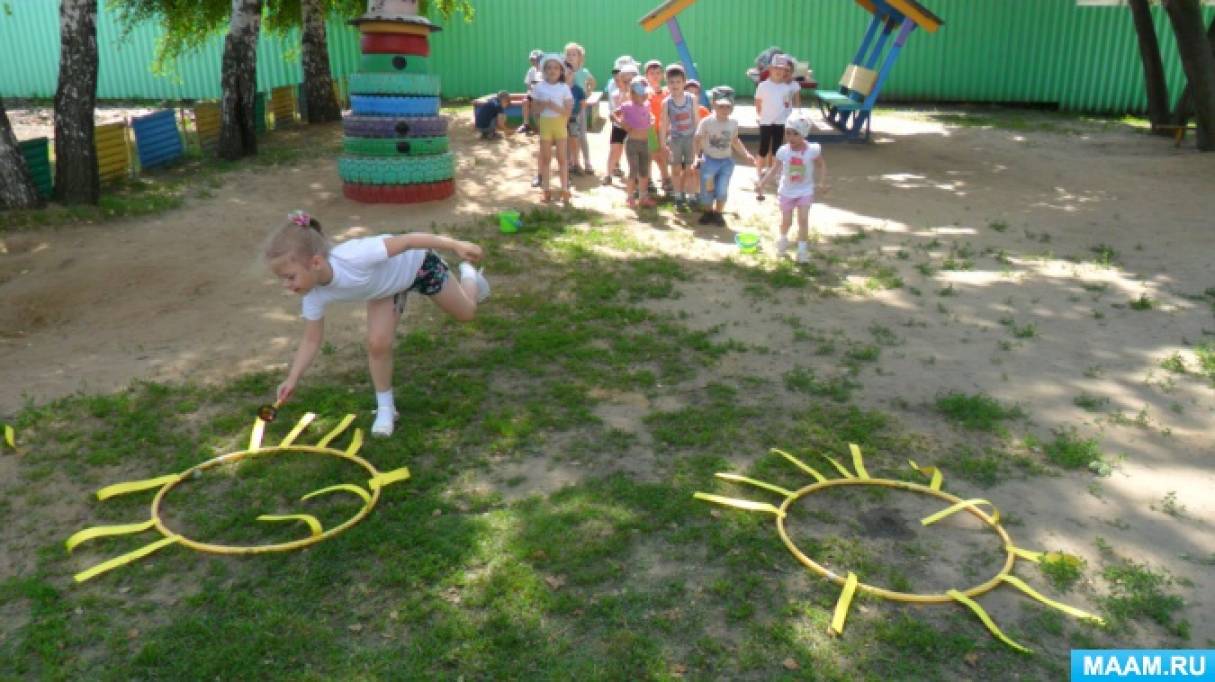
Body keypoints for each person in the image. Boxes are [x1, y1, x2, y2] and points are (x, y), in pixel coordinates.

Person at [265, 211, 490, 438]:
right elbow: (311, 339)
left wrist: (455, 244)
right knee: (377, 343)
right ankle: (385, 409)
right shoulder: (313, 294)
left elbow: (408, 241)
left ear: (315, 262)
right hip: (385, 288)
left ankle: (469, 275)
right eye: (282, 279)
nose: (286, 285)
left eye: (290, 277)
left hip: (419, 266)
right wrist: (292, 378)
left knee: (467, 313)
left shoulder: (356, 255)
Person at [756, 116, 827, 264]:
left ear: (804, 134)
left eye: (795, 133)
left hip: (805, 190)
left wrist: (822, 182)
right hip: (787, 191)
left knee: (803, 219)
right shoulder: (783, 151)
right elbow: (774, 169)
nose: (791, 137)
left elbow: (821, 165)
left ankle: (802, 251)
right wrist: (762, 183)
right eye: (788, 133)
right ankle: (783, 238)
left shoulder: (812, 150)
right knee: (786, 222)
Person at [693, 87, 755, 226]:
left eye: (728, 106)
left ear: (732, 107)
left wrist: (746, 154)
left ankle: (718, 214)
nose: (724, 109)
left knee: (722, 190)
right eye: (721, 106)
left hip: (726, 162)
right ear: (714, 105)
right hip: (709, 161)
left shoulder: (733, 123)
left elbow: (734, 140)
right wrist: (697, 156)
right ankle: (708, 212)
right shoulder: (707, 122)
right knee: (708, 189)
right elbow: (697, 139)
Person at [532, 53, 574, 204]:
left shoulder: (564, 88)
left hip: (560, 125)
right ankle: (546, 190)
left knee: (562, 159)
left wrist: (555, 107)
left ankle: (565, 190)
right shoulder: (538, 87)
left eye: (556, 68)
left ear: (561, 70)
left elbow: (568, 111)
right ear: (543, 70)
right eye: (549, 67)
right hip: (545, 125)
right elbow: (534, 109)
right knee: (546, 158)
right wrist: (542, 107)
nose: (552, 70)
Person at [754, 54, 801, 182]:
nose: (779, 72)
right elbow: (758, 102)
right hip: (766, 122)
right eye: (776, 68)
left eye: (783, 69)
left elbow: (788, 104)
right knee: (763, 147)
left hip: (781, 122)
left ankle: (774, 173)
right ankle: (758, 173)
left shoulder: (787, 88)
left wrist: (792, 116)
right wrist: (761, 115)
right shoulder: (763, 85)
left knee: (777, 148)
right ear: (770, 69)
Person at [659, 63, 699, 209]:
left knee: (690, 168)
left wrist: (698, 140)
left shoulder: (692, 98)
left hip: (690, 139)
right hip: (675, 140)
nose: (675, 85)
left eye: (678, 82)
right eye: (671, 82)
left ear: (684, 82)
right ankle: (678, 195)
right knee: (676, 169)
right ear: (667, 83)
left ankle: (692, 195)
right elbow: (664, 124)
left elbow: (696, 120)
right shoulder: (667, 102)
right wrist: (663, 144)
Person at [614, 75, 656, 209]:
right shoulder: (626, 106)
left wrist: (652, 119)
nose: (644, 96)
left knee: (644, 172)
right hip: (632, 143)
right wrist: (622, 123)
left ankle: (643, 197)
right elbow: (613, 114)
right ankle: (630, 197)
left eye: (645, 93)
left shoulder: (647, 104)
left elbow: (649, 115)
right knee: (633, 170)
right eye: (641, 94)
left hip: (646, 143)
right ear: (632, 94)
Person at [604, 56, 638, 185]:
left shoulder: (640, 93)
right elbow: (615, 112)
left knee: (634, 152)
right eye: (622, 80)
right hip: (619, 126)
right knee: (615, 149)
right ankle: (608, 174)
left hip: (635, 128)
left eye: (630, 79)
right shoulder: (616, 94)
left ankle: (635, 176)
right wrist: (620, 122)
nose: (625, 82)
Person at [564, 42, 596, 176]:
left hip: (579, 108)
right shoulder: (564, 71)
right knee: (568, 136)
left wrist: (589, 91)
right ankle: (570, 162)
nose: (571, 56)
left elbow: (592, 81)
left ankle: (587, 161)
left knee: (581, 135)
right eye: (568, 54)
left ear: (580, 57)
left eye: (574, 54)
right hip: (566, 109)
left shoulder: (583, 72)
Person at [643, 59, 672, 193]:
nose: (655, 76)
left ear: (663, 75)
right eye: (652, 73)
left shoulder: (667, 92)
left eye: (658, 73)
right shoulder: (644, 92)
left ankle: (665, 178)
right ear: (646, 76)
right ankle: (648, 180)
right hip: (649, 130)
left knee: (662, 155)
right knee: (649, 156)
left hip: (664, 129)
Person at [564, 61, 587, 175]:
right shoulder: (558, 88)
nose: (567, 75)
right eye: (565, 73)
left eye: (570, 73)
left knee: (574, 140)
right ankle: (566, 165)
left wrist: (576, 115)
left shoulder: (577, 89)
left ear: (573, 74)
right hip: (561, 118)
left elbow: (582, 103)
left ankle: (576, 163)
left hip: (573, 118)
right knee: (563, 142)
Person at [518, 49, 544, 135]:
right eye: (532, 59)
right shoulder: (531, 70)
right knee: (525, 101)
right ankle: (526, 125)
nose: (533, 61)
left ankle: (542, 128)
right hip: (533, 94)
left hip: (544, 95)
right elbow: (528, 84)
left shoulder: (546, 70)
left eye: (536, 59)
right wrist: (532, 91)